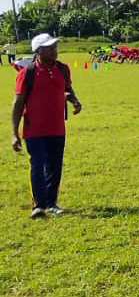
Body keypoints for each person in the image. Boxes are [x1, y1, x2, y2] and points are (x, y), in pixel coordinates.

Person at [12, 34, 82, 218]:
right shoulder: (27, 73)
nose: (54, 50)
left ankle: (51, 203)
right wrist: (14, 133)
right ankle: (39, 205)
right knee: (37, 165)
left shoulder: (62, 69)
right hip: (34, 130)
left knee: (54, 166)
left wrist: (74, 100)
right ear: (38, 51)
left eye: (55, 46)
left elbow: (67, 88)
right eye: (49, 47)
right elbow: (18, 103)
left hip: (57, 128)